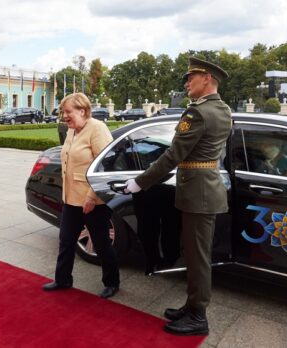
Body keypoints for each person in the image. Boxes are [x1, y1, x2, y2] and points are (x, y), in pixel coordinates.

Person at [124, 57, 232, 336]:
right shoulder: (223, 109)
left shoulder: (197, 113)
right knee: (197, 254)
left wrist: (140, 181)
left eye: (190, 78)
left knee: (197, 257)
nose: (186, 83)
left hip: (198, 193)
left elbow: (173, 155)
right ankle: (192, 304)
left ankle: (198, 316)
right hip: (205, 189)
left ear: (206, 78)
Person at [42, 92, 120, 299]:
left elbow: (105, 166)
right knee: (66, 240)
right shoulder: (72, 130)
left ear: (83, 111)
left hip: (92, 200)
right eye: (63, 112)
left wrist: (92, 197)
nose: (64, 116)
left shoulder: (97, 129)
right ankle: (63, 280)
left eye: (68, 112)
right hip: (71, 198)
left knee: (102, 243)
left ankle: (112, 282)